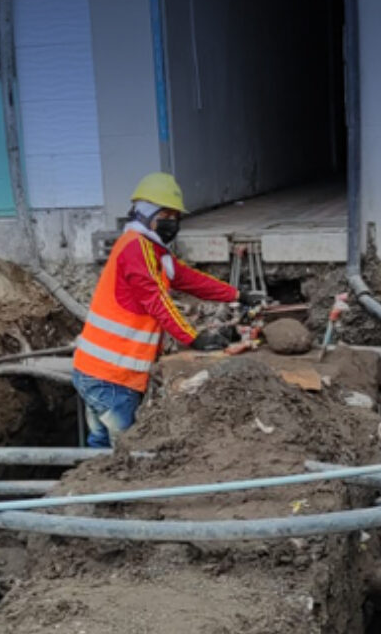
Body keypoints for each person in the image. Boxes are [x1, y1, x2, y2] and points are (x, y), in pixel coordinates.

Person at [70, 172, 264, 448]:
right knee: (122, 454)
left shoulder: (152, 252)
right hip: (112, 378)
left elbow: (191, 280)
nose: (172, 223)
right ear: (145, 214)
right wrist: (193, 338)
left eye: (175, 217)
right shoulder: (136, 249)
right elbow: (157, 301)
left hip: (97, 372)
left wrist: (237, 295)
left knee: (99, 449)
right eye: (165, 216)